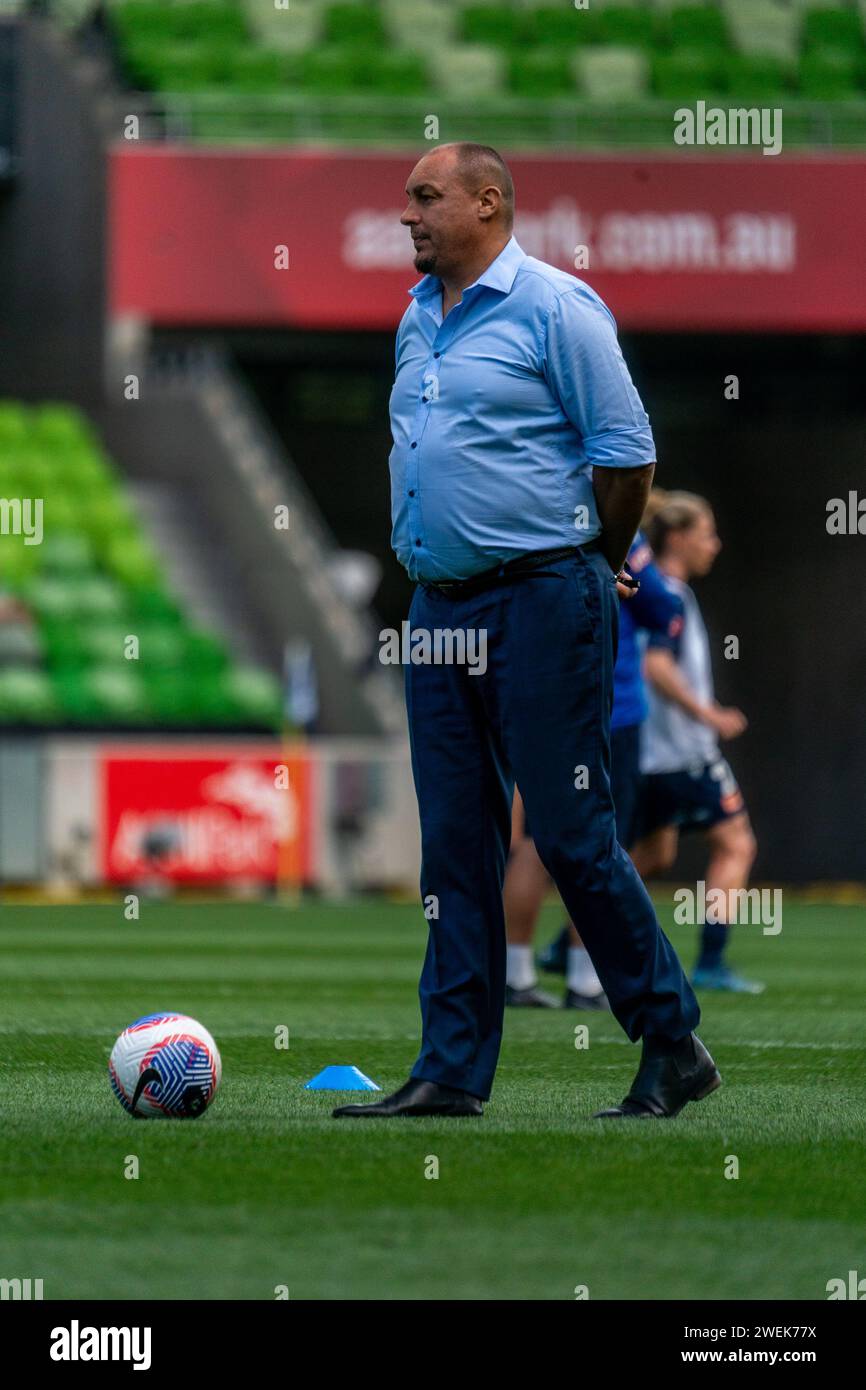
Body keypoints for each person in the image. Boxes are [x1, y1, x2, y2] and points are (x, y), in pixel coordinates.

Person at [333, 143, 719, 1121]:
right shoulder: (416, 319)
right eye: (406, 200)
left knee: (568, 830)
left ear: (487, 202)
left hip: (543, 598)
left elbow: (626, 455)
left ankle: (670, 1040)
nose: (408, 216)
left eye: (425, 197)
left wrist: (591, 560)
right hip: (436, 610)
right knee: (454, 845)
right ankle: (450, 1069)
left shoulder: (555, 307)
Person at [505, 531, 685, 1009]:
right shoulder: (617, 528)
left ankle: (515, 973)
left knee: (532, 841)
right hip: (608, 708)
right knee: (601, 839)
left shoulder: (534, 520)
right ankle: (586, 981)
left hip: (542, 696)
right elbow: (665, 609)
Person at [630, 490, 761, 993]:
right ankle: (711, 959)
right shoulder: (668, 597)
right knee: (736, 843)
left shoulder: (643, 589)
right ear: (680, 538)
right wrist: (710, 715)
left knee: (653, 856)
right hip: (684, 754)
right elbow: (656, 666)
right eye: (707, 534)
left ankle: (571, 939)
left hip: (647, 755)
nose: (716, 545)